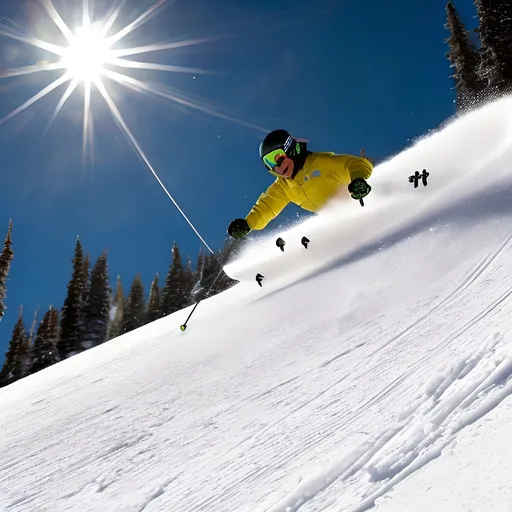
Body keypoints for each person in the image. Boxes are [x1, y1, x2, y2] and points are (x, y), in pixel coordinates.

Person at [227, 129, 374, 239]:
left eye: (277, 157)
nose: (277, 167)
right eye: (269, 163)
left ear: (290, 148)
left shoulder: (320, 162)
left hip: (362, 206)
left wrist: (358, 180)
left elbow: (358, 164)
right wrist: (248, 224)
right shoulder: (284, 187)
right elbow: (265, 208)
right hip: (339, 222)